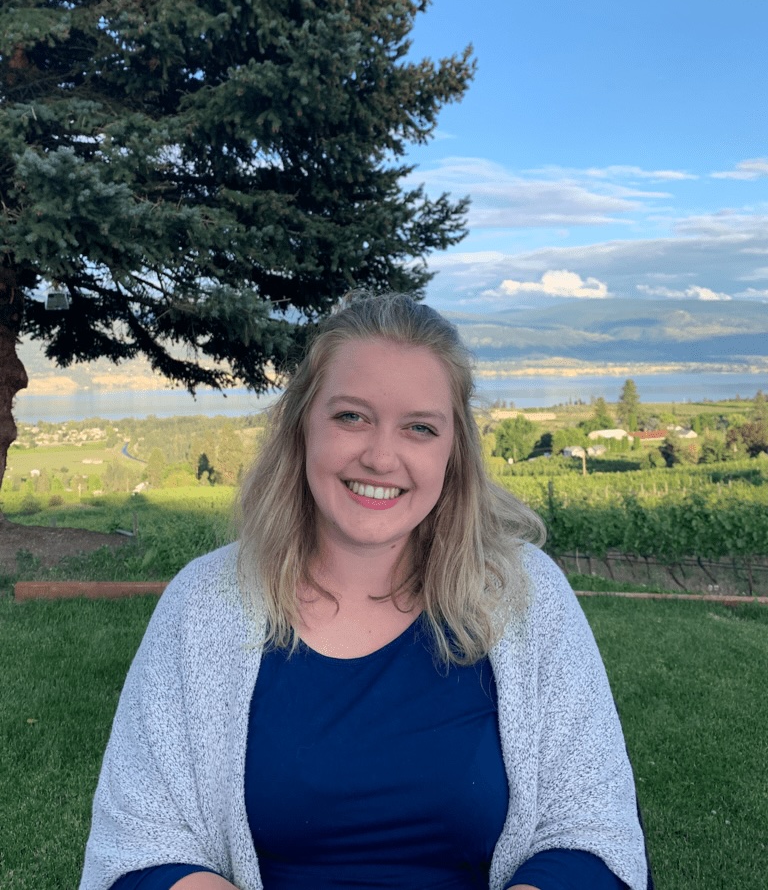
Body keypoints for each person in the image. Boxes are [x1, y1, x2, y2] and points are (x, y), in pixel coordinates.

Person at [80, 292, 651, 890]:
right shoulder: (202, 605)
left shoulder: (525, 596)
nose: (381, 457)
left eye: (420, 428)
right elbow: (140, 845)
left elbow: (593, 831)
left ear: (454, 452)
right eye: (352, 417)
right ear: (302, 425)